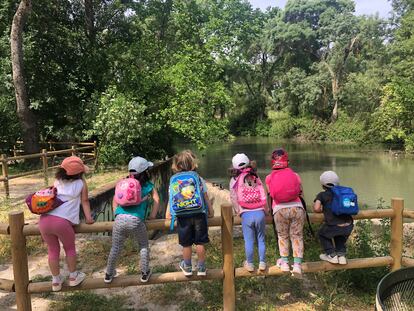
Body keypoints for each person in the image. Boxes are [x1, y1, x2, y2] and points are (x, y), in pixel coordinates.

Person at [38, 156, 94, 292]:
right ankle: (73, 277)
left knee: (52, 250)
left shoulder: (57, 181)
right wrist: (89, 219)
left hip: (44, 220)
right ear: (80, 172)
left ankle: (56, 281)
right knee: (69, 249)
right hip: (62, 222)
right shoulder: (81, 183)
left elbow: (51, 198)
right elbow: (85, 201)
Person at [104, 156, 160, 283]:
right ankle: (145, 273)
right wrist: (152, 216)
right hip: (136, 220)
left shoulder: (122, 183)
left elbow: (115, 200)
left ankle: (108, 274)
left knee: (116, 247)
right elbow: (157, 199)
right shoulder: (147, 185)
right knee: (143, 245)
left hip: (119, 219)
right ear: (145, 172)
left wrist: (116, 214)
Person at [165, 150, 214, 277]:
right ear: (193, 164)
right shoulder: (198, 178)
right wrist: (211, 210)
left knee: (186, 244)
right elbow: (205, 196)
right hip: (199, 214)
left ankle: (187, 266)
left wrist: (168, 213)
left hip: (182, 215)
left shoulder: (173, 179)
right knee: (200, 242)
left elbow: (171, 198)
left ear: (177, 165)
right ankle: (202, 267)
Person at [265, 148, 305, 277]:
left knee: (283, 236)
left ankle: (285, 262)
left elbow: (270, 195)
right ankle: (298, 265)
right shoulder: (295, 175)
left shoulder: (269, 177)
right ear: (287, 161)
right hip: (297, 208)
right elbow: (301, 193)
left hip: (279, 209)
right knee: (297, 236)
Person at [229, 153, 268, 272]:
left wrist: (237, 210)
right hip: (260, 212)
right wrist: (266, 209)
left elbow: (233, 197)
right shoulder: (255, 176)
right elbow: (263, 193)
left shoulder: (234, 180)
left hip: (246, 213)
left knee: (249, 240)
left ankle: (250, 264)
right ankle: (262, 263)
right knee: (261, 239)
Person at [313, 171, 353, 265]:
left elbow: (316, 208)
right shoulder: (342, 192)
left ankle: (331, 255)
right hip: (348, 224)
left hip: (335, 225)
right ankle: (341, 256)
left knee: (322, 234)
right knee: (340, 237)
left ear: (323, 185)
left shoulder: (322, 195)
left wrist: (323, 209)